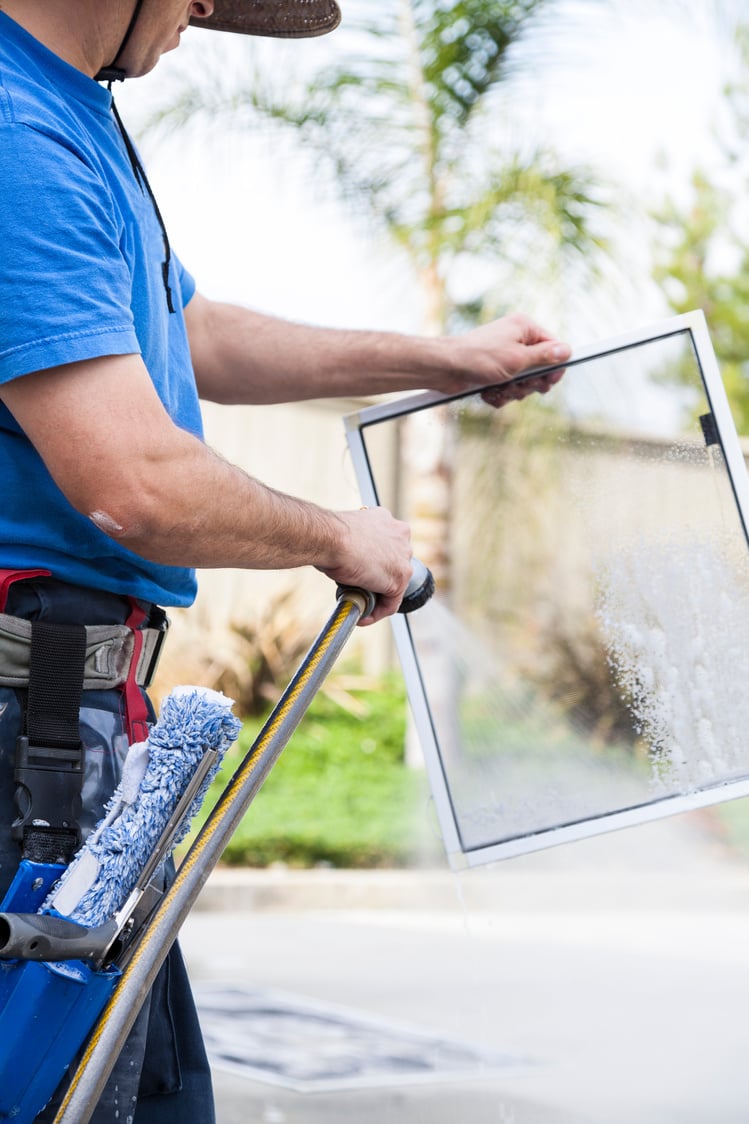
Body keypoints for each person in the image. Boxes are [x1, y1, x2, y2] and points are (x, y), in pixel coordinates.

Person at [0, 0, 571, 1119]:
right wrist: (332, 532)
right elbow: (132, 480)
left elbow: (191, 332)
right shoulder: (15, 132)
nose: (205, 8)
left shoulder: (72, 116)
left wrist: (438, 356)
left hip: (78, 724)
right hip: (30, 729)